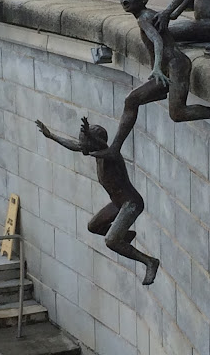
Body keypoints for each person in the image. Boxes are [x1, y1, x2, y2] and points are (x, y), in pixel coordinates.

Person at [92, 0, 210, 160]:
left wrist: (156, 68)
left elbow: (157, 41)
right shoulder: (145, 16)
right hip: (167, 68)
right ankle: (115, 148)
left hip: (176, 66)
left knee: (178, 113)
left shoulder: (144, 18)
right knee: (131, 100)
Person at [36, 117, 160, 285]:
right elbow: (74, 145)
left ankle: (149, 262)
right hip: (117, 203)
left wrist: (90, 135)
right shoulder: (96, 154)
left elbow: (102, 146)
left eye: (84, 142)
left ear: (94, 142)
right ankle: (124, 235)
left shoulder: (111, 155)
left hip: (130, 203)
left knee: (110, 241)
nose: (81, 145)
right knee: (93, 226)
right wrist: (51, 136)